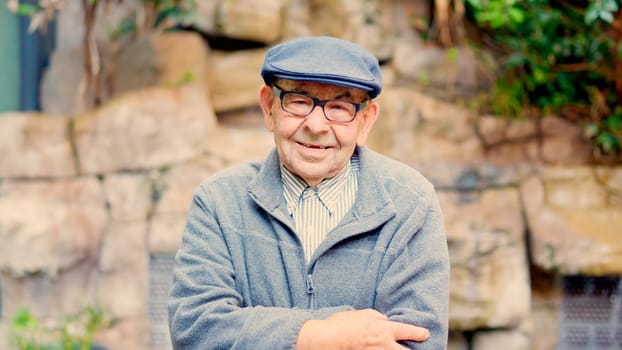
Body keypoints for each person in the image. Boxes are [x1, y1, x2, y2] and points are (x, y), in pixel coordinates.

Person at [168, 36, 450, 350]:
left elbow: (420, 342)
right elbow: (196, 330)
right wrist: (327, 336)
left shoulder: (410, 202)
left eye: (340, 107)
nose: (316, 125)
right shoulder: (219, 201)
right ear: (269, 107)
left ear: (365, 121)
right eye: (298, 101)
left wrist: (259, 332)